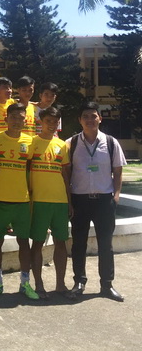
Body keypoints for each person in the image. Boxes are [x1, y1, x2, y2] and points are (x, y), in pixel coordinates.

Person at [66, 101, 127, 302]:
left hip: (104, 200)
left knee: (105, 245)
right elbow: (65, 173)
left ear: (100, 118)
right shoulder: (71, 143)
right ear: (79, 120)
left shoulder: (110, 142)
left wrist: (116, 195)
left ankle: (107, 285)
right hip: (80, 200)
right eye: (86, 116)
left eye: (94, 116)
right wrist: (69, 200)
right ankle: (79, 282)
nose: (90, 120)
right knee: (78, 244)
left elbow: (118, 170)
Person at [0, 103, 38, 300]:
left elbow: (33, 166)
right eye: (13, 117)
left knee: (24, 242)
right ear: (6, 119)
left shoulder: (30, 142)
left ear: (26, 120)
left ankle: (25, 283)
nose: (17, 121)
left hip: (22, 201)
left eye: (20, 117)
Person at [29, 107, 74, 299]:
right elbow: (25, 172)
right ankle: (39, 285)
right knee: (37, 243)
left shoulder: (62, 145)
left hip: (60, 201)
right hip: (39, 200)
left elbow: (66, 175)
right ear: (41, 121)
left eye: (55, 121)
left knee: (61, 243)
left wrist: (69, 201)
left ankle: (60, 284)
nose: (52, 124)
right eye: (48, 120)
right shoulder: (32, 143)